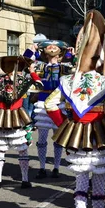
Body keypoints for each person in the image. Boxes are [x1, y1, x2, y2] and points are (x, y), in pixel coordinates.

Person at [45, 10, 105, 208]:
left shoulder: (68, 80)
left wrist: (63, 126)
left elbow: (50, 104)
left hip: (76, 133)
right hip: (99, 133)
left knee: (79, 181)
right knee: (98, 180)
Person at [0, 51, 42, 188]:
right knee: (21, 149)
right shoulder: (23, 81)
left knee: (1, 149)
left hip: (1, 116)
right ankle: (24, 180)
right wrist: (32, 72)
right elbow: (40, 86)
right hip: (15, 116)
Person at [33, 40, 70, 180]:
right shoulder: (39, 66)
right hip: (42, 103)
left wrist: (72, 53)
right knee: (41, 139)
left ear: (61, 51)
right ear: (44, 52)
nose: (52, 49)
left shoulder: (65, 67)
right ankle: (42, 167)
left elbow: (79, 64)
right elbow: (24, 60)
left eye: (56, 47)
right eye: (49, 47)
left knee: (58, 138)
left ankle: (56, 167)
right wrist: (32, 49)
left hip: (58, 104)